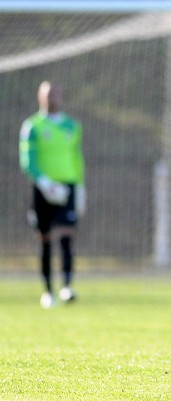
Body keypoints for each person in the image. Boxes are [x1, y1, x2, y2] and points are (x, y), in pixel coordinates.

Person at [19, 81, 86, 309]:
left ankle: (67, 286)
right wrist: (44, 182)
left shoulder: (72, 126)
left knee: (67, 235)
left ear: (62, 96)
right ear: (40, 97)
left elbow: (77, 158)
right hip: (43, 188)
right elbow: (27, 160)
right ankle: (48, 291)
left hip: (67, 186)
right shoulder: (32, 126)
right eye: (47, 94)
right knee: (45, 240)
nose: (52, 98)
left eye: (55, 93)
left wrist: (80, 187)